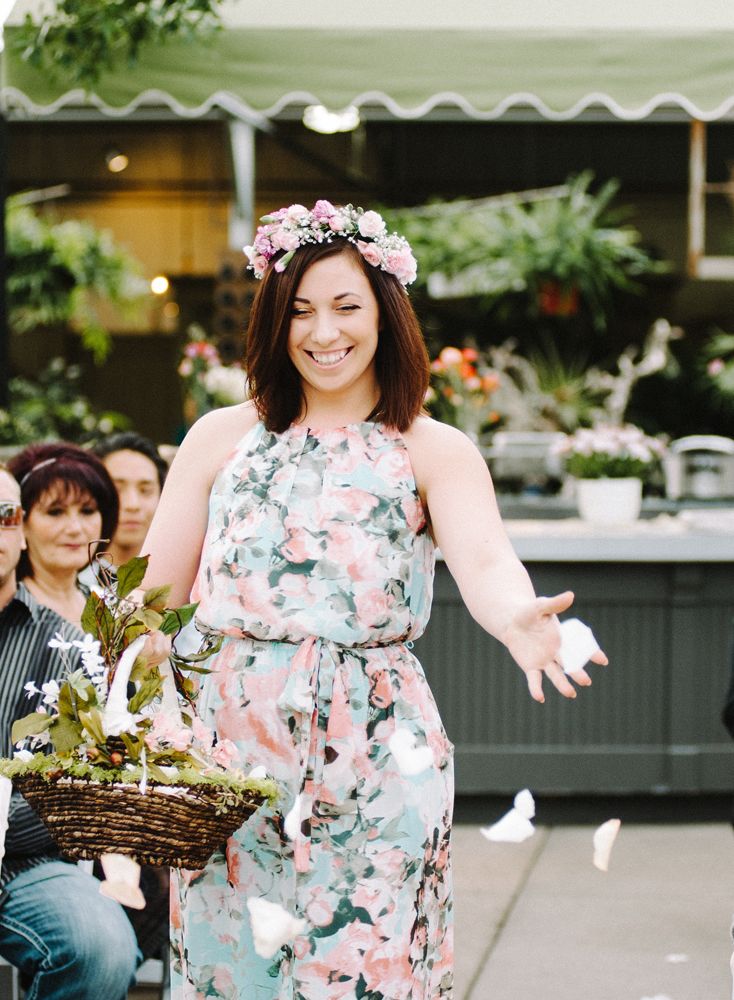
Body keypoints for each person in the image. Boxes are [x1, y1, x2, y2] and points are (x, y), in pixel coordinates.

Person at [141, 201, 608, 998]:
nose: (325, 333)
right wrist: (139, 710)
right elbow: (151, 600)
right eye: (301, 311)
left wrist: (517, 618)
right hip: (230, 751)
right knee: (235, 967)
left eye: (347, 307)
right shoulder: (220, 438)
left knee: (370, 967)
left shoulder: (431, 447)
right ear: (273, 322)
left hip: (377, 745)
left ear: (386, 314)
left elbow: (487, 559)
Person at [0, 463, 139, 999]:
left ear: (18, 530)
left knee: (101, 947)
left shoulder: (70, 648)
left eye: (4, 516)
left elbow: (77, 789)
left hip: (26, 862)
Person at [7, 443, 119, 628]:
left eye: (87, 510)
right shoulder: (9, 611)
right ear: (22, 523)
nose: (75, 528)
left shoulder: (110, 609)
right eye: (56, 512)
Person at [91, 432, 168, 568]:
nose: (133, 505)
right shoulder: (67, 581)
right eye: (116, 489)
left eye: (145, 490)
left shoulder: (187, 582)